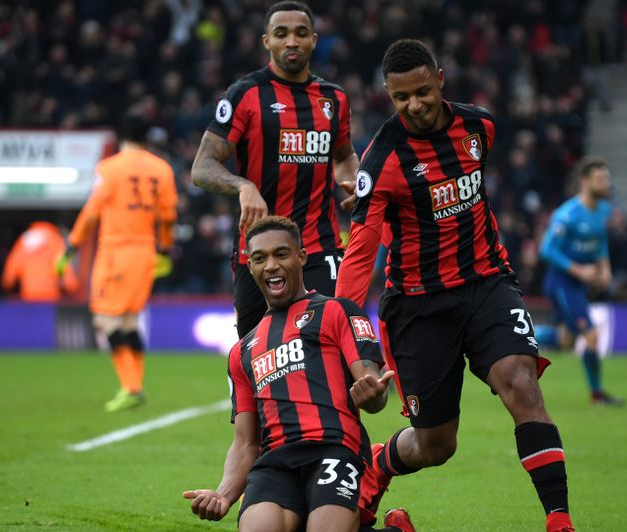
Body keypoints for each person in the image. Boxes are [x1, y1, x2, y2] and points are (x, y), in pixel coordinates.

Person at [335, 39, 575, 532]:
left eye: (423, 92)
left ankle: (559, 520)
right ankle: (378, 466)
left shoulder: (479, 126)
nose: (414, 105)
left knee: (522, 385)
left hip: (488, 282)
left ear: (440, 79)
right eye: (401, 98)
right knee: (436, 445)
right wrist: (341, 324)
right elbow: (361, 252)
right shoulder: (381, 161)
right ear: (388, 94)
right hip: (420, 308)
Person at [183, 216, 414, 532]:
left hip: (335, 450)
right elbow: (246, 442)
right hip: (275, 465)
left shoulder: (337, 311)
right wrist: (224, 495)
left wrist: (374, 395)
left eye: (281, 254)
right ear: (250, 267)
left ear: (302, 257)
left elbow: (369, 384)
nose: (271, 266)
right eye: (260, 258)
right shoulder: (243, 350)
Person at [191, 1, 360, 339]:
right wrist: (243, 186)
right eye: (281, 34)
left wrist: (353, 180)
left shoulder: (334, 99)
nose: (291, 41)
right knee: (258, 356)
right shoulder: (245, 94)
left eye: (300, 33)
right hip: (256, 250)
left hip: (318, 246)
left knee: (328, 345)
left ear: (313, 40)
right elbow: (202, 166)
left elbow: (343, 154)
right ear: (267, 41)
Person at [60, 115, 178, 412]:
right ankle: (135, 386)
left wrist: (71, 246)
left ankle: (130, 386)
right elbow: (168, 216)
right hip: (146, 253)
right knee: (127, 319)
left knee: (105, 319)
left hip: (116, 251)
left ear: (120, 137)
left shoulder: (109, 168)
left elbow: (91, 212)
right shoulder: (162, 169)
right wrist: (164, 251)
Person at [539, 157, 624, 406]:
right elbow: (547, 249)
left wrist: (605, 268)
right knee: (592, 336)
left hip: (578, 284)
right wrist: (580, 271)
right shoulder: (567, 214)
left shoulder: (603, 211)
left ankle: (525, 335)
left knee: (565, 340)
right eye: (600, 179)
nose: (606, 183)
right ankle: (597, 395)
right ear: (586, 182)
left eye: (606, 178)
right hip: (562, 283)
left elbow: (600, 242)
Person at [1, 221, 79, 302]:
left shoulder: (24, 240)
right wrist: (72, 286)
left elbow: (12, 267)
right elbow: (62, 264)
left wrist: (7, 284)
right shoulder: (54, 239)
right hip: (50, 296)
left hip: (29, 295)